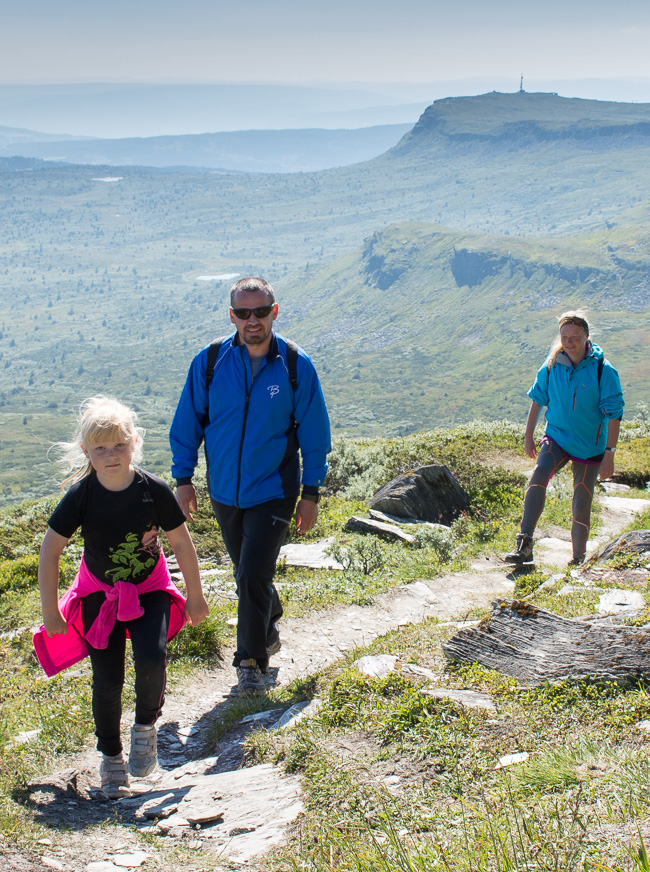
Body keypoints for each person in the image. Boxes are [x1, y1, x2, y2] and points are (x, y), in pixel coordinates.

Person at [35, 396, 209, 799]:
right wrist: (50, 611)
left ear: (134, 443)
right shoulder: (82, 496)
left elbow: (181, 544)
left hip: (150, 590)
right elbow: (50, 550)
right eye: (100, 449)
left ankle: (145, 728)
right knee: (107, 679)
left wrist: (194, 595)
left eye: (119, 445)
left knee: (152, 657)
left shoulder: (155, 490)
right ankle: (111, 758)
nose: (111, 455)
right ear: (87, 452)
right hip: (99, 595)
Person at [170, 276, 331, 694]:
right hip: (224, 492)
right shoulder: (209, 362)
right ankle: (268, 618)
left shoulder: (296, 366)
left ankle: (250, 664)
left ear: (274, 311)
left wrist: (311, 494)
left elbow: (315, 435)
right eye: (243, 313)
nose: (252, 320)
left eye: (261, 311)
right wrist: (183, 480)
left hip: (275, 491)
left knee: (253, 573)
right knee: (249, 576)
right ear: (232, 316)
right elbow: (188, 424)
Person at [505, 311, 624, 567]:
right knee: (538, 476)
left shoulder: (604, 370)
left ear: (586, 337)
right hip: (557, 437)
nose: (569, 342)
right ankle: (524, 543)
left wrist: (609, 453)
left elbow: (615, 415)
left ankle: (578, 559)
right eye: (565, 336)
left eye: (575, 337)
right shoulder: (551, 365)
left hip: (589, 446)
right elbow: (538, 400)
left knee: (582, 501)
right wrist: (528, 436)